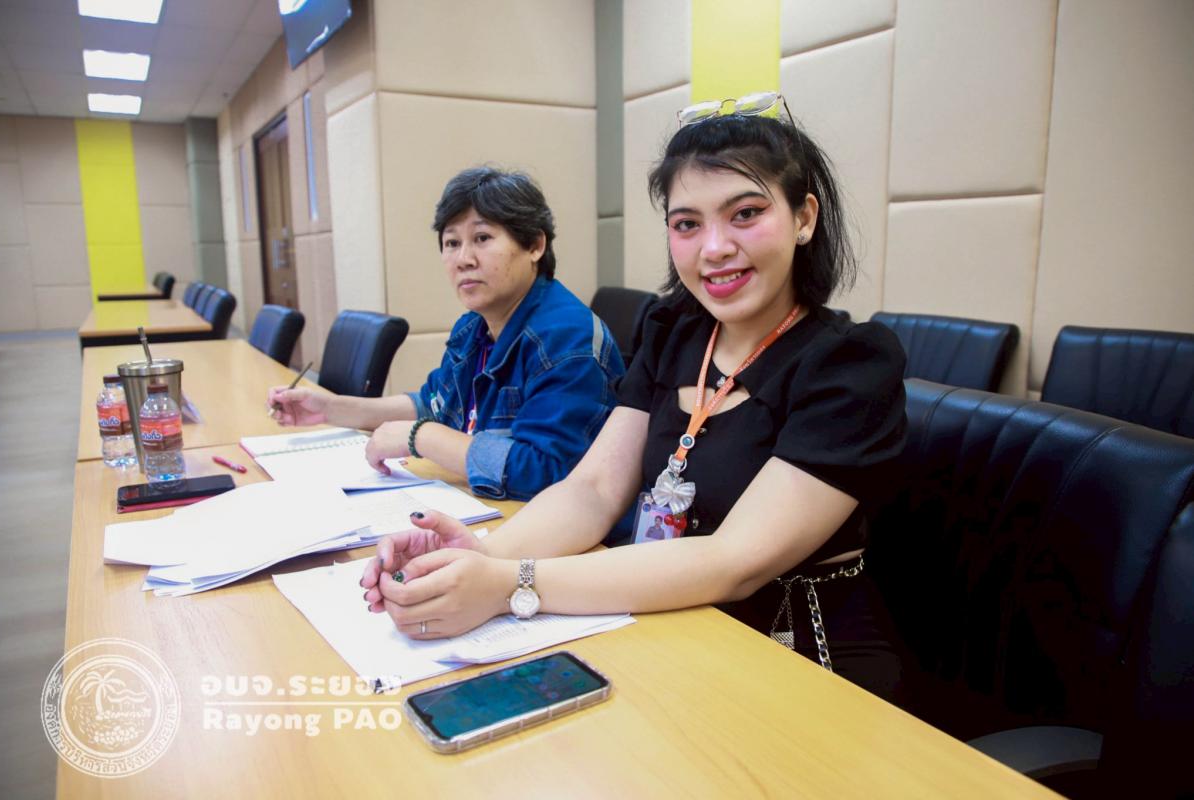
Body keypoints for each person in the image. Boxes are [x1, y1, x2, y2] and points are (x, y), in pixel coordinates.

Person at [360, 94, 909, 701]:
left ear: (804, 218)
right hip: (659, 621)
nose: (714, 247)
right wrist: (478, 558)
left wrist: (509, 583)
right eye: (687, 224)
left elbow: (733, 561)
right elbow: (593, 490)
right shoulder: (674, 330)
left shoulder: (851, 365)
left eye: (746, 213)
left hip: (793, 654)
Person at [268, 167, 624, 501]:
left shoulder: (567, 340)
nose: (463, 259)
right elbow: (435, 404)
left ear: (534, 245)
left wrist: (421, 436)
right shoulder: (474, 326)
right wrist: (330, 408)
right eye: (452, 243)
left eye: (482, 238)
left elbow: (548, 473)